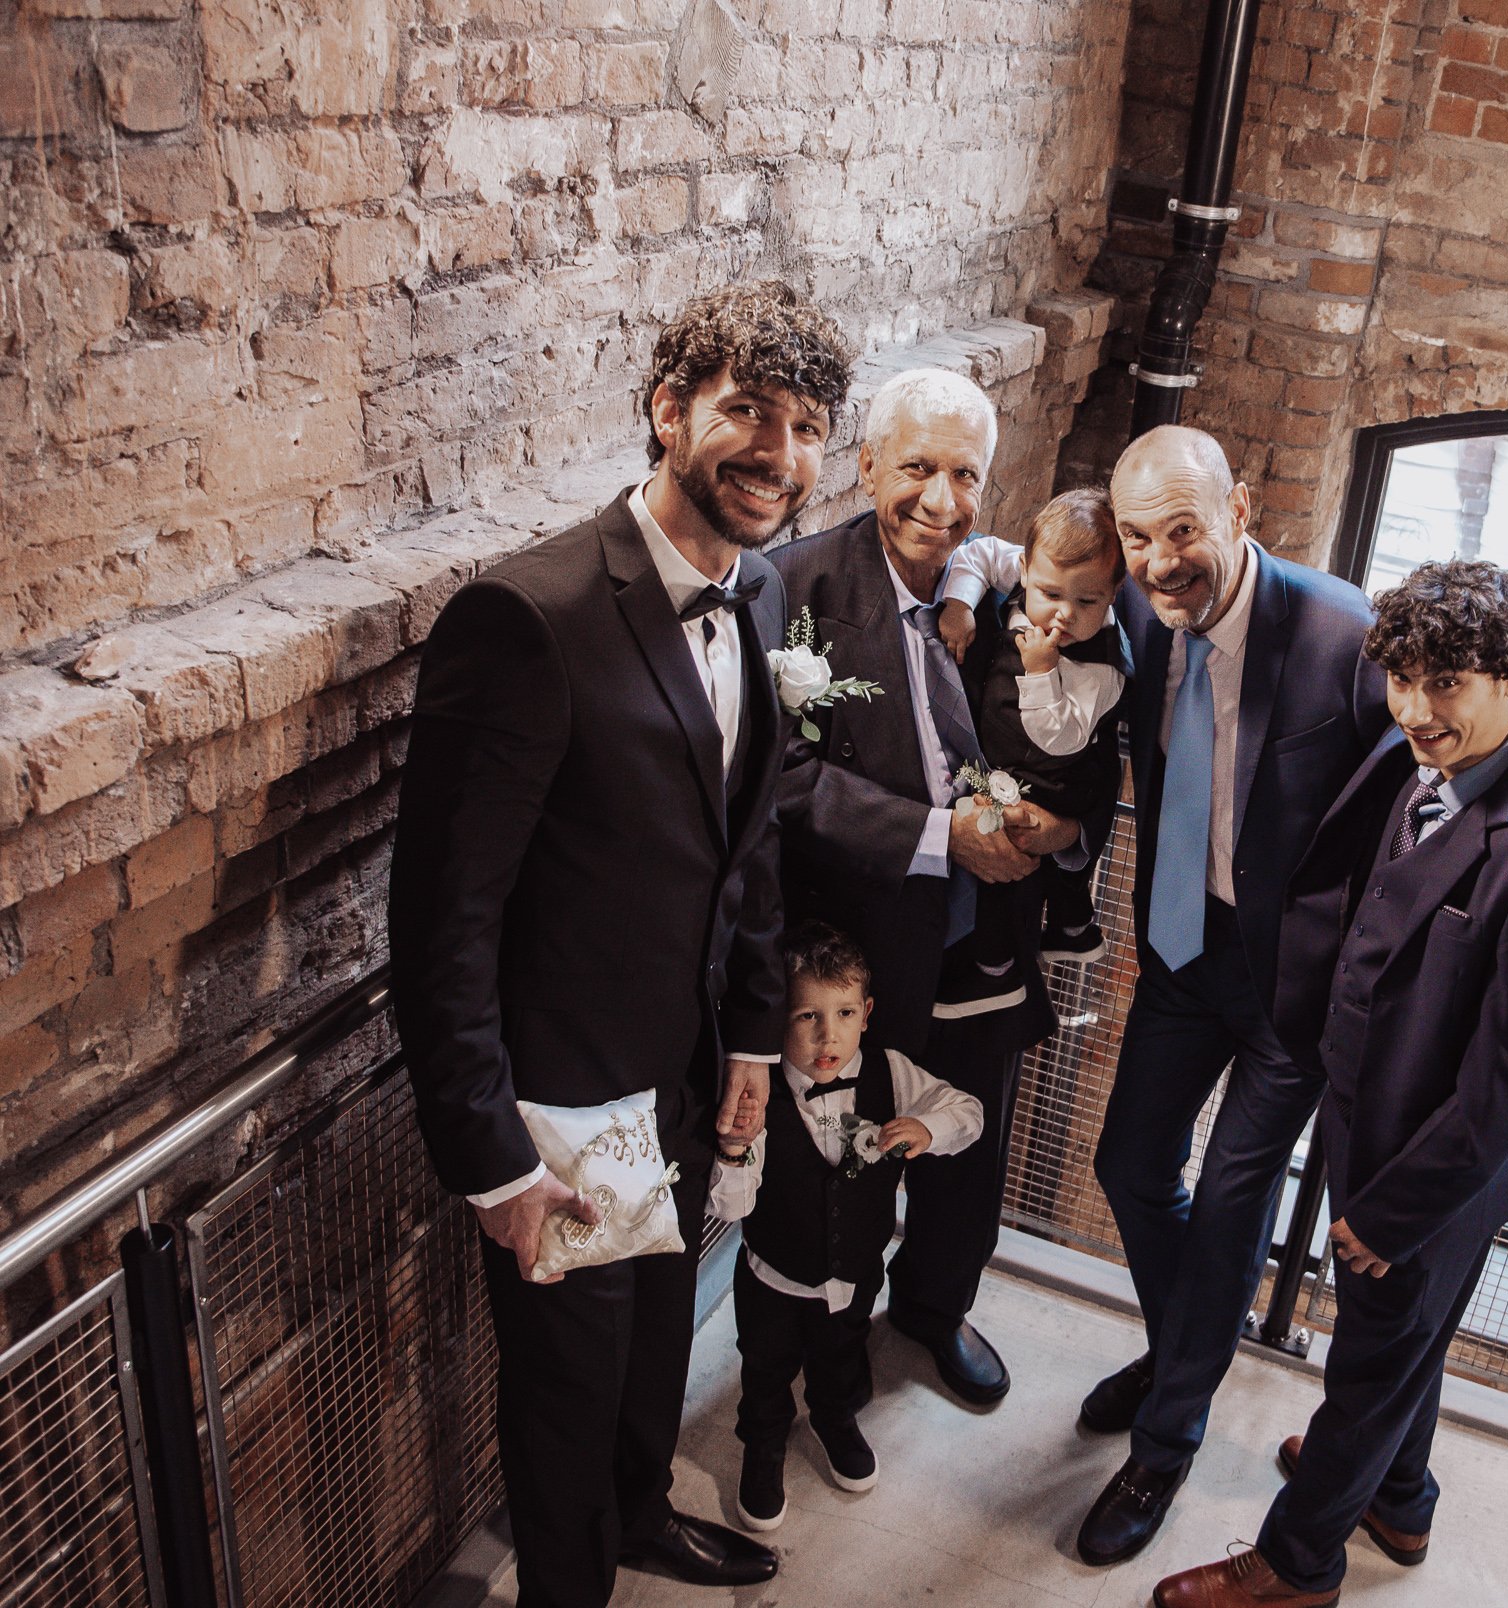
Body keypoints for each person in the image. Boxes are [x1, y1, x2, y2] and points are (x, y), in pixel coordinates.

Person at [388, 280, 852, 1607]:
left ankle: (642, 1515)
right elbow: (443, 928)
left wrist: (753, 1034)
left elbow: (746, 842)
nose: (778, 453)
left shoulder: (761, 596)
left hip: (692, 1075)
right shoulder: (528, 620)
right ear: (667, 411)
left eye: (807, 424)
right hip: (565, 1111)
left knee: (655, 1347)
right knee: (564, 1393)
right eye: (747, 412)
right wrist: (491, 1165)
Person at [1152, 559, 1508, 1608]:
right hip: (1363, 1128)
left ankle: (1295, 1563)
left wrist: (1392, 1215)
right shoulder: (1428, 767)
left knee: (1365, 1372)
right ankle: (1397, 1498)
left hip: (1424, 1181)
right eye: (1402, 681)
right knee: (1407, 1349)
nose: (1413, 709)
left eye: (1444, 684)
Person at [1074, 425, 1388, 1568]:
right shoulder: (1142, 625)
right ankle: (1181, 1347)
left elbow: (1414, 815)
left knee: (1225, 1210)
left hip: (1289, 999)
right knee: (1125, 1166)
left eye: (1181, 532)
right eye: (1136, 536)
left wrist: (1354, 976)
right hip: (1179, 951)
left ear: (1241, 510)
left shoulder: (1344, 637)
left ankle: (1166, 1441)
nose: (1158, 561)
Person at [772, 368, 1107, 1407]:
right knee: (846, 1159)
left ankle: (931, 1312)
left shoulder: (1016, 589)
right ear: (865, 465)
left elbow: (1107, 715)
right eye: (915, 467)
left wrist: (1068, 826)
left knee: (967, 1162)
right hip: (863, 947)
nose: (940, 498)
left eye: (964, 474)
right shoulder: (797, 592)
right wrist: (933, 836)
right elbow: (780, 779)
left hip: (989, 941)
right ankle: (822, 1339)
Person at [708, 922, 984, 1531]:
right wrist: (732, 1150)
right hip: (774, 1281)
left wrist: (927, 1129)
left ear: (867, 1013)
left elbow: (969, 1112)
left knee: (841, 1358)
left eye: (844, 1013)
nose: (828, 1035)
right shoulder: (761, 1090)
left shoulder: (889, 1072)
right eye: (807, 1016)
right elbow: (730, 1209)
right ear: (781, 1017)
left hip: (856, 1274)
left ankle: (834, 1420)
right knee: (765, 1369)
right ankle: (764, 1445)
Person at [934, 485, 1132, 1000]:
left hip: (1054, 779)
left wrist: (1043, 672)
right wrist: (959, 603)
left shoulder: (1102, 666)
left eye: (1087, 600)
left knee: (1009, 865)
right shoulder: (1026, 568)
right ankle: (1073, 929)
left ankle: (996, 972)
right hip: (1006, 761)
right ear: (1025, 570)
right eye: (1049, 594)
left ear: (1114, 593)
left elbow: (1062, 737)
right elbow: (975, 553)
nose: (1063, 614)